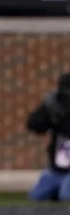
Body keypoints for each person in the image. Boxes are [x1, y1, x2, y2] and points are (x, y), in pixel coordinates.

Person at [26, 73, 70, 202]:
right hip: (58, 167)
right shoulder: (54, 104)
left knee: (66, 195)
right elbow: (34, 124)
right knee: (36, 196)